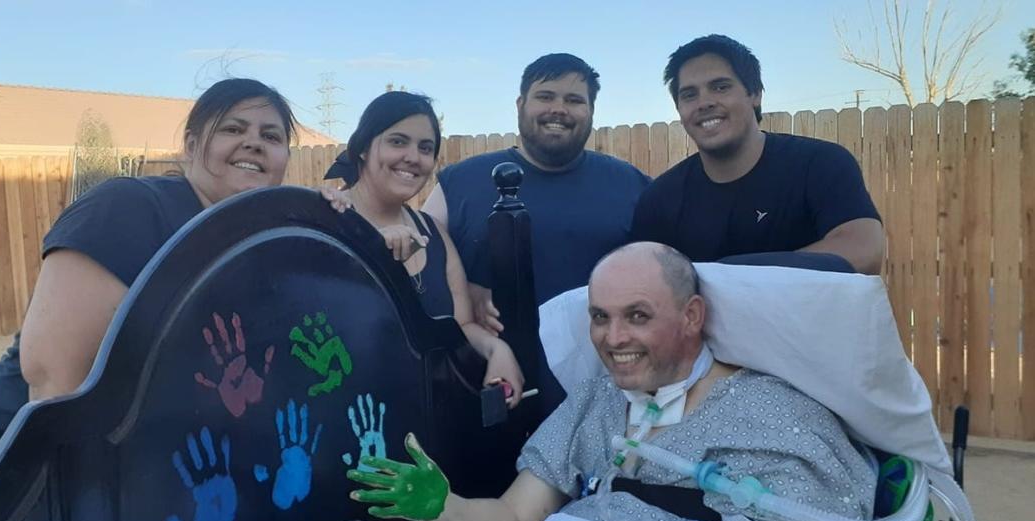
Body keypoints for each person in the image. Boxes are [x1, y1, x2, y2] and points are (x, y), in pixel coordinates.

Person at [348, 242, 875, 521]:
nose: (613, 337)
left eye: (637, 316)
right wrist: (446, 507)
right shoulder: (600, 399)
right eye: (600, 317)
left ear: (692, 315)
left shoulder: (770, 412)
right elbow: (513, 519)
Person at [0, 78, 300, 516]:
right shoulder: (128, 208)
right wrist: (84, 506)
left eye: (270, 136)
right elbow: (52, 377)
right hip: (3, 453)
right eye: (233, 129)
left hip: (136, 465)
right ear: (191, 146)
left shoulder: (252, 243)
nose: (253, 143)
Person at [421, 53, 650, 334]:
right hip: (485, 371)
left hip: (608, 371)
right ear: (520, 105)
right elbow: (417, 262)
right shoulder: (458, 184)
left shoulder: (633, 186)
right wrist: (462, 289)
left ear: (591, 110)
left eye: (574, 100)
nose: (558, 109)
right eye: (545, 96)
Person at [324, 91, 525, 402]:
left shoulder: (433, 233)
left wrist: (497, 349)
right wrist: (373, 251)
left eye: (425, 148)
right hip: (352, 419)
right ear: (363, 147)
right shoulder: (327, 221)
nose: (413, 157)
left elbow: (462, 325)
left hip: (429, 421)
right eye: (397, 141)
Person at [628, 35, 885, 275]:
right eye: (689, 94)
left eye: (720, 87)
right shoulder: (659, 199)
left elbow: (865, 250)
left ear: (755, 94)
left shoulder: (821, 164)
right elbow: (645, 282)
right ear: (679, 108)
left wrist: (733, 274)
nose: (704, 102)